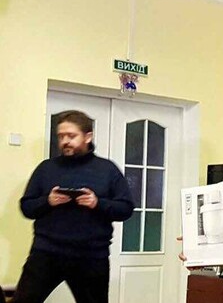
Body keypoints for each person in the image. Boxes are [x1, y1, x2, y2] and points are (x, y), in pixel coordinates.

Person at [14, 110, 135, 303]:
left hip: (91, 256)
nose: (65, 141)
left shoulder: (107, 170)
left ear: (88, 137)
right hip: (46, 253)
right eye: (61, 136)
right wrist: (47, 201)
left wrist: (97, 203)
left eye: (71, 136)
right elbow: (26, 207)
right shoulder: (46, 168)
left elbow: (126, 209)